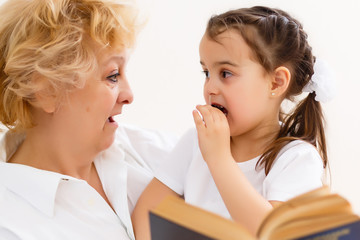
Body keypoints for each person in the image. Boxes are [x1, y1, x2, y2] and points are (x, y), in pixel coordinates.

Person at [132, 6, 334, 239]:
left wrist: (219, 160)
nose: (210, 88)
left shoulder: (296, 159)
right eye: (206, 72)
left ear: (276, 83)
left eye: (226, 73)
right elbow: (147, 211)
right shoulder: (195, 142)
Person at [0, 0, 177, 239]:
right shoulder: (11, 224)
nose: (129, 95)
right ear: (46, 91)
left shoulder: (138, 147)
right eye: (113, 76)